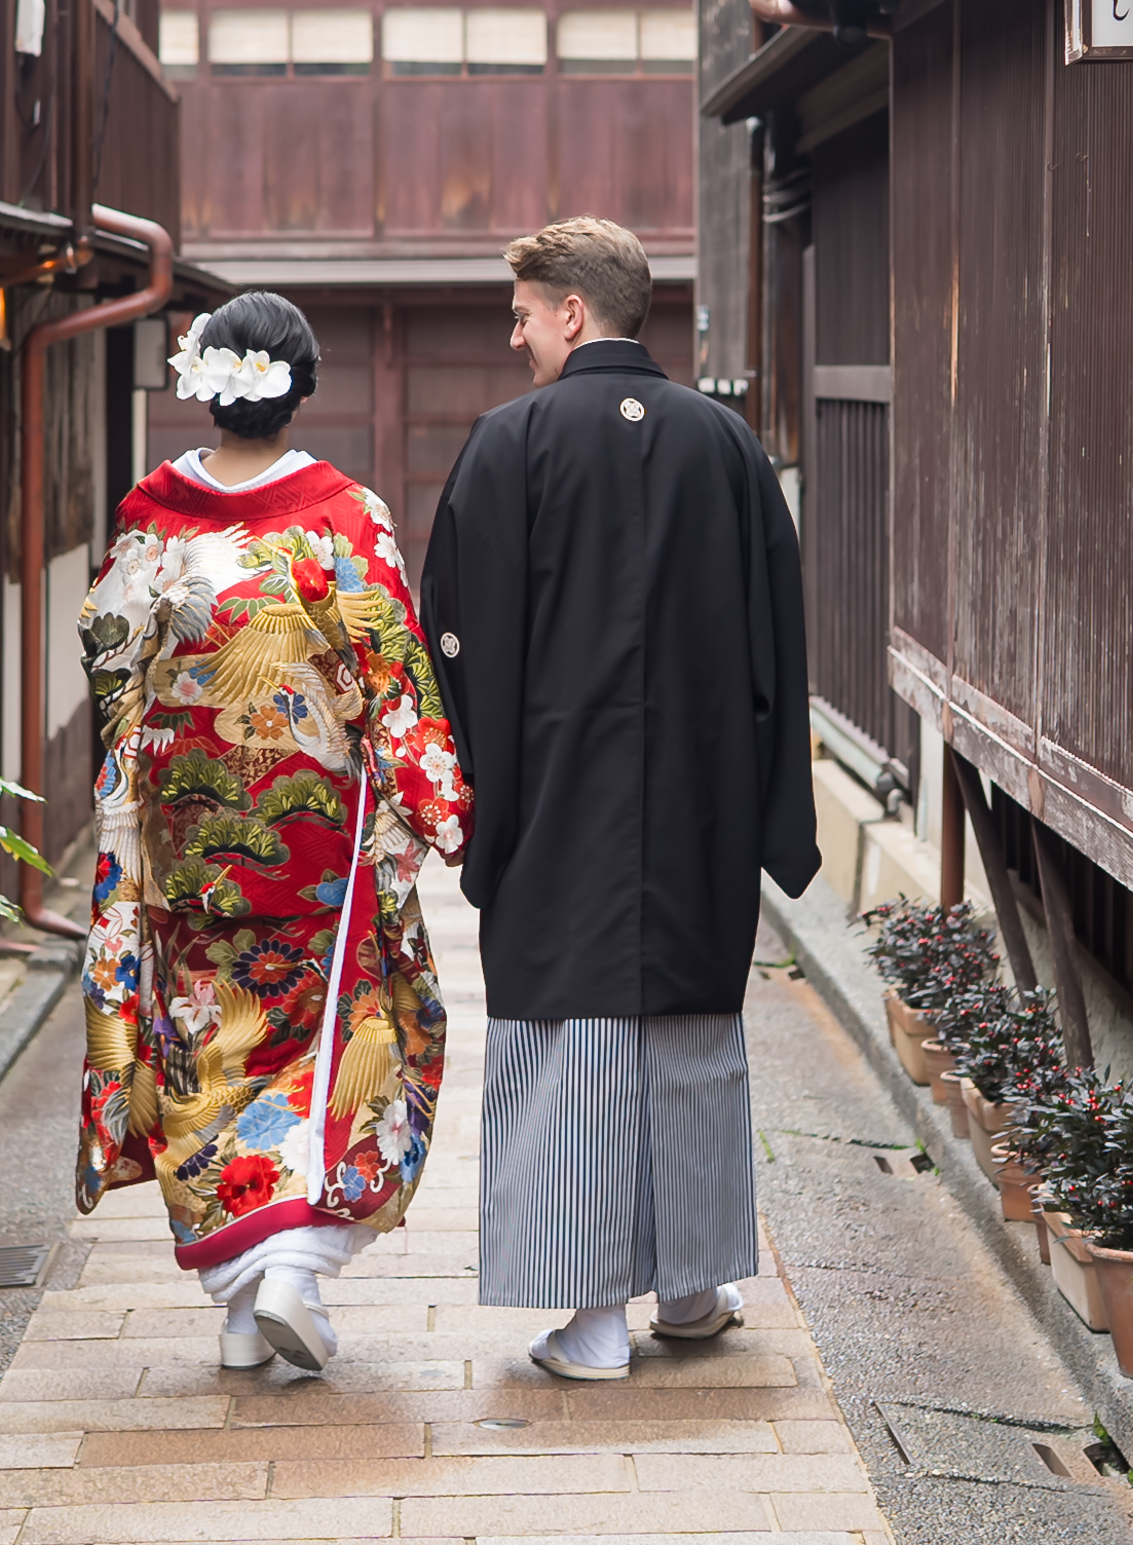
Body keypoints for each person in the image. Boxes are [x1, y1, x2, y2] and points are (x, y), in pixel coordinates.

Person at [420, 217, 817, 1381]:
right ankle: (690, 1290)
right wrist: (768, 804)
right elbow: (777, 637)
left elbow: (456, 634)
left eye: (524, 316)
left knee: (573, 1044)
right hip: (702, 800)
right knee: (690, 1033)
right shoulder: (727, 445)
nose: (516, 338)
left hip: (555, 801)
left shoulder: (510, 445)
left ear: (572, 311)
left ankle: (593, 1320)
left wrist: (481, 786)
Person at [73, 291, 471, 1375]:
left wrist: (153, 777)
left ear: (205, 388)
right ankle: (292, 1266)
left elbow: (109, 662)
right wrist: (440, 805)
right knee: (329, 1040)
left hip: (179, 842)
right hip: (314, 844)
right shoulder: (342, 516)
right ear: (301, 389)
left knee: (207, 1042)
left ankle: (245, 1314)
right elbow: (394, 675)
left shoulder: (153, 519)